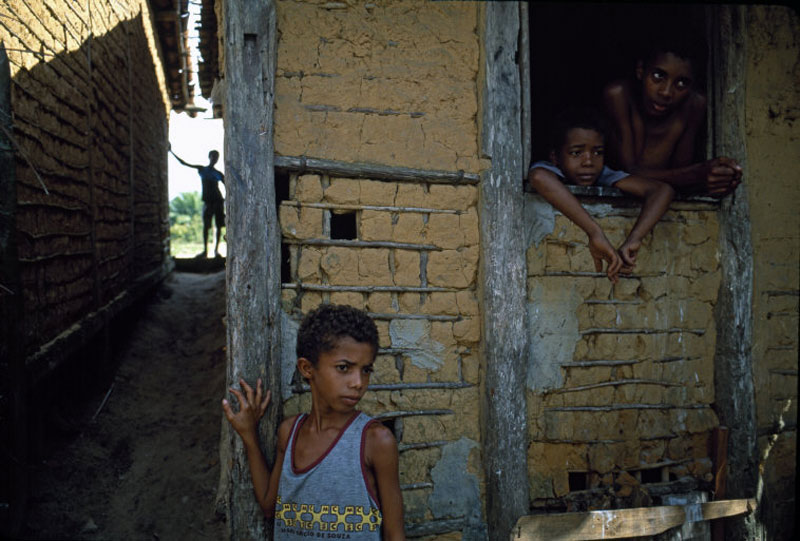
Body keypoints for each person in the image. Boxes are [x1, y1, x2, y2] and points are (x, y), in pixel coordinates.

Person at [222, 304, 405, 540]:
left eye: (366, 370)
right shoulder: (290, 432)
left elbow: (394, 533)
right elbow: (270, 506)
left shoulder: (375, 441)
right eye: (344, 368)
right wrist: (249, 436)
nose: (358, 382)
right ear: (307, 368)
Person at [528, 107, 674, 283]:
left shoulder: (603, 173)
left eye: (597, 152)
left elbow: (662, 191)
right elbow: (538, 177)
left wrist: (635, 238)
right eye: (576, 153)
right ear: (555, 157)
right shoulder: (550, 169)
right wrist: (595, 232)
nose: (589, 161)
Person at [603, 37, 742, 197]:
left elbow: (680, 177)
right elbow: (626, 173)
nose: (666, 92)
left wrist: (719, 177)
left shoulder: (693, 105)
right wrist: (697, 174)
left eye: (681, 83)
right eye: (657, 76)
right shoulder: (619, 95)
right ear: (640, 70)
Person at [170, 147, 225, 258]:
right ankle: (205, 251)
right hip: (208, 202)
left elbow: (227, 186)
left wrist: (226, 200)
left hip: (218, 201)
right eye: (213, 157)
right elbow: (184, 163)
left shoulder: (218, 174)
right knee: (206, 226)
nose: (215, 159)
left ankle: (216, 251)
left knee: (218, 226)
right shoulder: (202, 169)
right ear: (209, 157)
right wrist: (171, 152)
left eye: (216, 158)